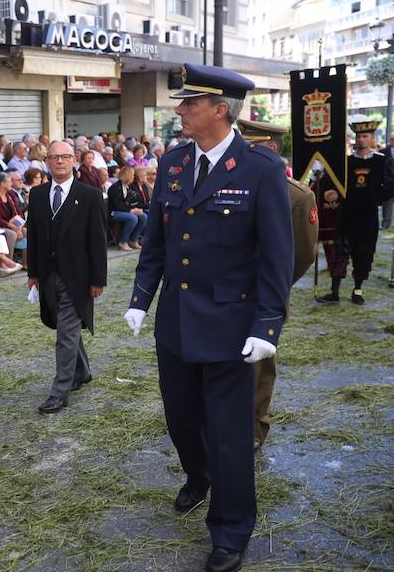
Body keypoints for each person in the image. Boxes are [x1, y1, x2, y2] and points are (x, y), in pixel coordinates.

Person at [123, 63, 294, 572]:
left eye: (190, 104)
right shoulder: (175, 162)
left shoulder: (260, 169)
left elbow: (276, 257)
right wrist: (139, 298)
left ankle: (231, 528)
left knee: (229, 431)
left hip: (230, 325)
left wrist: (267, 327)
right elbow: (156, 239)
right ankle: (198, 478)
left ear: (220, 110)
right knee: (181, 416)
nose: (180, 111)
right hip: (175, 320)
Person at [237, 117, 319, 450]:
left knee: (258, 366)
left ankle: (255, 428)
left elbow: (302, 255)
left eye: (253, 148)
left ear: (271, 149)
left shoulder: (297, 196)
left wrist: (273, 285)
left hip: (264, 295)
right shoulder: (230, 184)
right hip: (226, 293)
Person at [26, 140, 107, 414]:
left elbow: (98, 241)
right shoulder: (37, 195)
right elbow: (34, 237)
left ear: (74, 160)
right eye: (54, 157)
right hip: (49, 276)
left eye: (65, 157)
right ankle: (81, 371)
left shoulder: (90, 195)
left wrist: (98, 280)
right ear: (46, 162)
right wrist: (33, 273)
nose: (59, 161)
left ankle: (59, 391)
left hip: (79, 278)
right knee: (64, 326)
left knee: (66, 332)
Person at [316, 119, 388, 305]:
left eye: (365, 136)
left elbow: (390, 184)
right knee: (340, 252)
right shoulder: (347, 161)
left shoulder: (381, 160)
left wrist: (376, 198)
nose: (362, 140)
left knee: (363, 253)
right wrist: (332, 191)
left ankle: (357, 290)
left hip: (368, 216)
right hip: (347, 214)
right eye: (359, 136)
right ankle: (334, 291)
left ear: (372, 138)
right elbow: (334, 180)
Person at [0, 171, 24, 264]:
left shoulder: (10, 194)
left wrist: (19, 228)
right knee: (11, 234)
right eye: (9, 181)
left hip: (12, 224)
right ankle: (8, 262)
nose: (11, 183)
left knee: (27, 231)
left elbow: (18, 212)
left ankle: (26, 262)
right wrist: (13, 228)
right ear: (2, 183)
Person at [108, 166, 148, 251]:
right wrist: (131, 210)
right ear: (127, 175)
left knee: (143, 216)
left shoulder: (128, 186)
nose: (133, 177)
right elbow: (117, 205)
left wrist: (137, 209)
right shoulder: (115, 188)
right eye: (132, 175)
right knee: (132, 218)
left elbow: (131, 202)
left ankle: (133, 239)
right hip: (113, 212)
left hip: (124, 210)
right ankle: (123, 241)